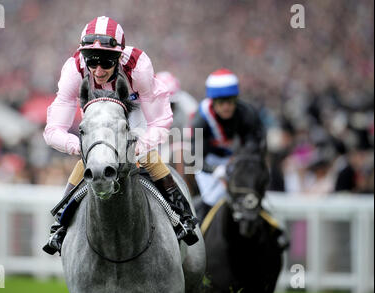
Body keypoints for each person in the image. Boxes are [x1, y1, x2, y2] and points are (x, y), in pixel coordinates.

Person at [42, 16, 199, 255]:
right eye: (92, 61)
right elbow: (53, 130)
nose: (98, 69)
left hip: (134, 116)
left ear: (119, 56)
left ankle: (183, 216)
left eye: (106, 61)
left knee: (148, 156)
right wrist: (80, 146)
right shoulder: (73, 70)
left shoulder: (138, 66)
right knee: (90, 159)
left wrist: (140, 145)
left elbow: (159, 120)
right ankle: (60, 225)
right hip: (97, 120)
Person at [190, 68, 267, 219]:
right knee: (211, 199)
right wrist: (215, 170)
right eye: (221, 102)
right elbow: (195, 159)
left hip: (236, 160)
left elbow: (255, 146)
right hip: (209, 162)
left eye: (230, 101)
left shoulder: (247, 113)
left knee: (252, 196)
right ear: (213, 102)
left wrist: (239, 163)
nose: (226, 106)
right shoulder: (201, 119)